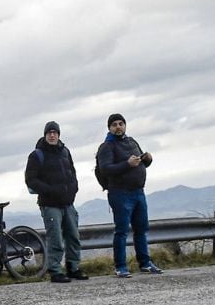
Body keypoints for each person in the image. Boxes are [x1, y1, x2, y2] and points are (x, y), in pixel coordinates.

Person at [96, 114, 163, 278]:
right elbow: (105, 169)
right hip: (120, 193)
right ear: (109, 128)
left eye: (121, 123)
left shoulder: (131, 141)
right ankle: (120, 266)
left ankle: (145, 263)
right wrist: (127, 164)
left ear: (125, 125)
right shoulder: (106, 146)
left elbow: (141, 163)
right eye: (114, 125)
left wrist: (148, 159)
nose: (118, 127)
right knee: (122, 231)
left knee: (141, 228)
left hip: (138, 191)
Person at [25, 121, 87, 283]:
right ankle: (55, 271)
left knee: (73, 236)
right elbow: (31, 180)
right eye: (49, 133)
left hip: (68, 203)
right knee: (56, 238)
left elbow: (72, 173)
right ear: (45, 135)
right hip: (50, 204)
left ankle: (73, 268)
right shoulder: (37, 155)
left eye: (55, 132)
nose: (52, 135)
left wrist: (74, 189)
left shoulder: (65, 152)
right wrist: (50, 190)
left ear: (59, 134)